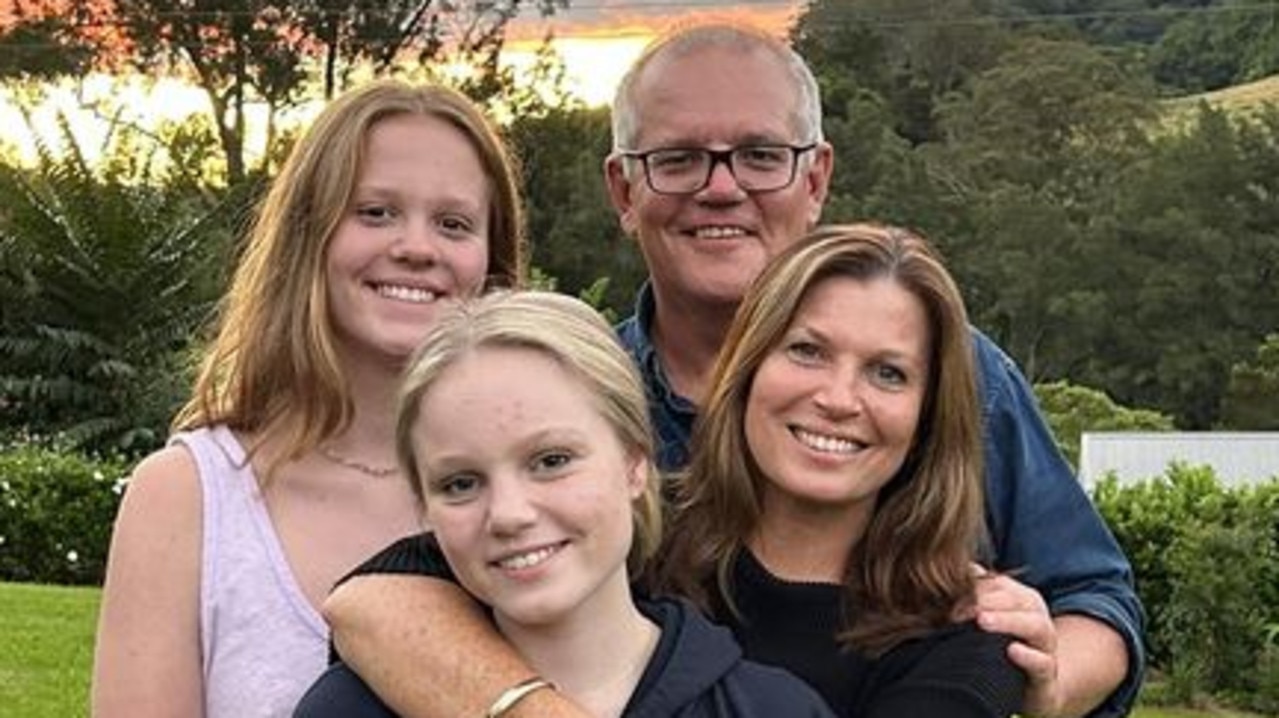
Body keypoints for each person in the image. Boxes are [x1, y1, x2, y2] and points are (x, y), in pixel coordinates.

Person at [325, 23, 1144, 718]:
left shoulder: (967, 373)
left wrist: (1020, 672)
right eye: (678, 160)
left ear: (815, 177)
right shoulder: (576, 392)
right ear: (622, 188)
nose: (720, 190)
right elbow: (388, 592)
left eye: (759, 155)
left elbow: (1094, 601)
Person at [90, 78, 525, 718]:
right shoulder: (188, 498)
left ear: (492, 262)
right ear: (307, 238)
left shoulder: (546, 500)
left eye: (453, 223)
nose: (416, 247)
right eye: (375, 212)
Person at [292, 290, 836, 717]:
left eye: (551, 461)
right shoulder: (349, 708)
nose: (508, 514)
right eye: (460, 483)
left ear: (633, 461)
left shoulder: (773, 708)